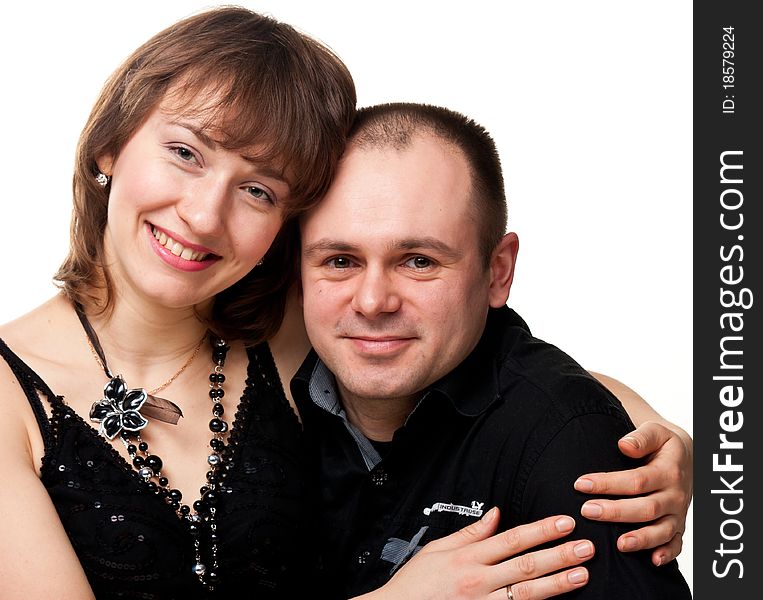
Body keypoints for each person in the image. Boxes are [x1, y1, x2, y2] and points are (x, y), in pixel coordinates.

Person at [0, 7, 690, 600]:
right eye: (185, 152)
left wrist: (651, 436)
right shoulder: (9, 400)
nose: (204, 215)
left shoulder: (291, 331)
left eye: (259, 190)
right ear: (110, 145)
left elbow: (486, 364)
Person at [295, 102, 693, 599]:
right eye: (340, 260)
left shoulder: (570, 446)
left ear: (498, 271)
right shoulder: (249, 386)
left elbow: (554, 397)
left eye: (418, 261)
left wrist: (599, 419)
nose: (373, 301)